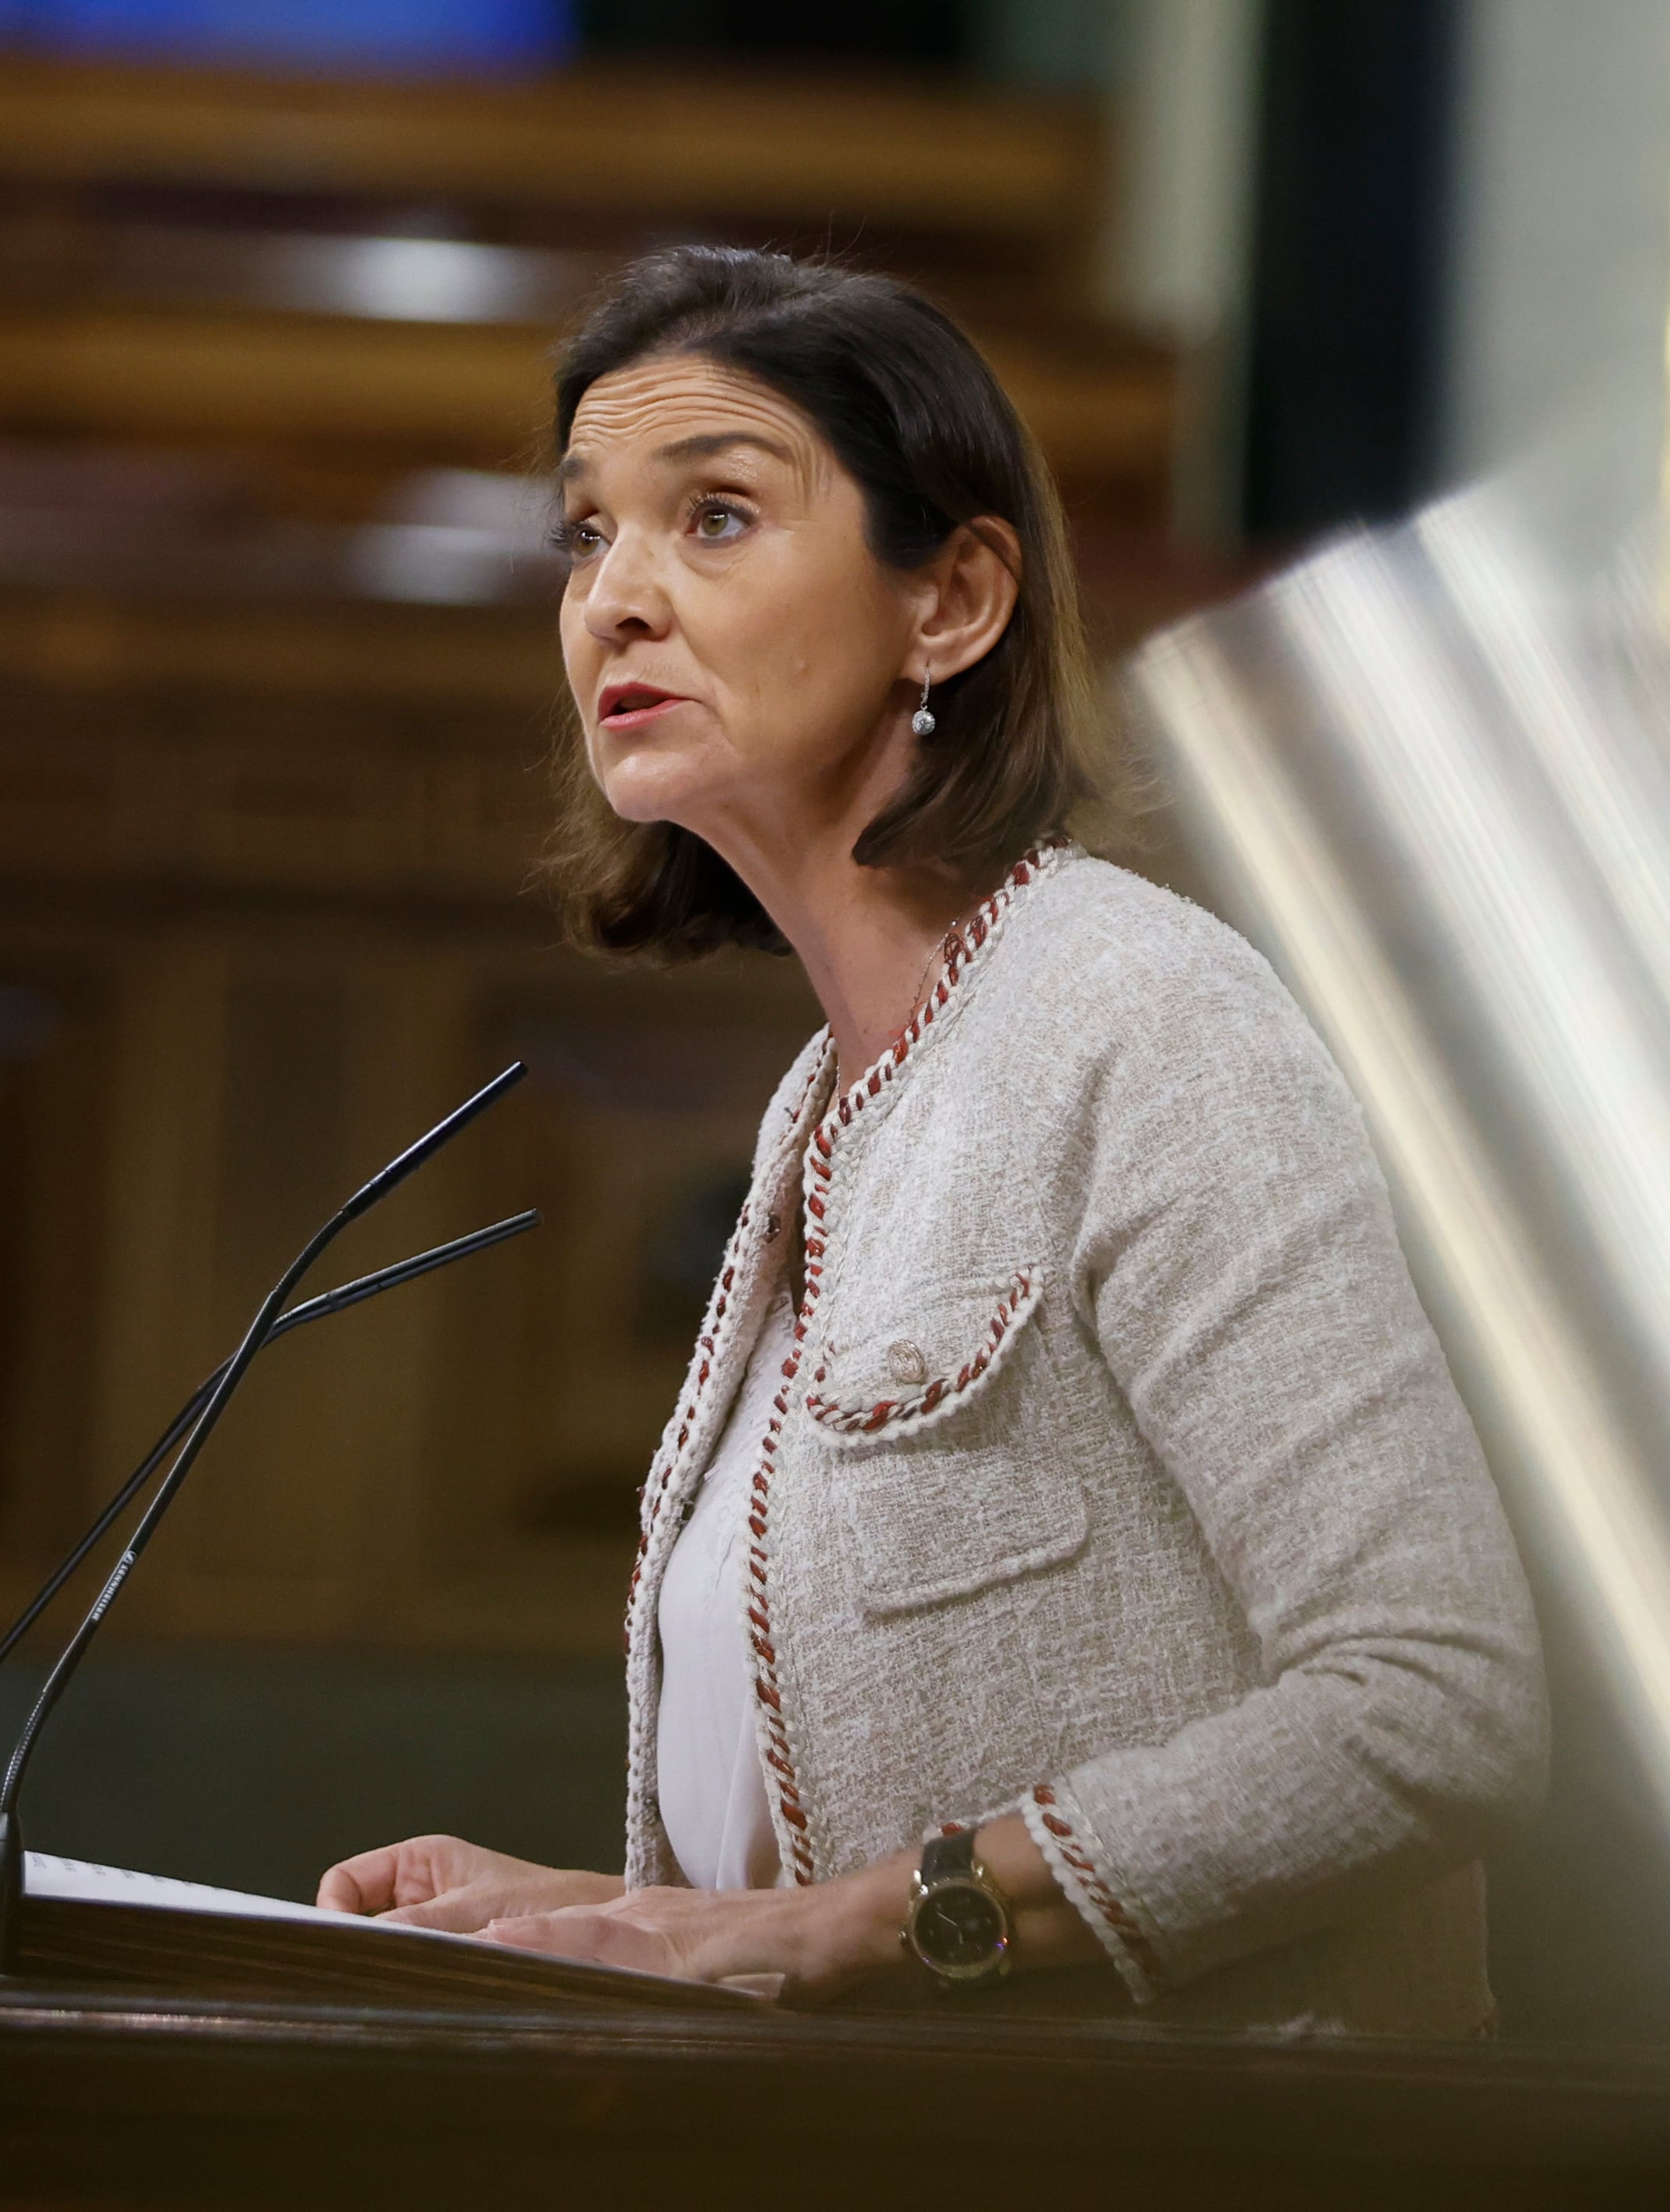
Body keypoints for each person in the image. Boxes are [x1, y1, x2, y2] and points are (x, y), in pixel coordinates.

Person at [318, 245, 1545, 2033]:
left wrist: (851, 1933)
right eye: (588, 534)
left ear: (954, 600)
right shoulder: (828, 1098)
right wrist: (606, 1915)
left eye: (716, 516)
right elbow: (838, 1869)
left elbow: (1442, 1699)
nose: (617, 600)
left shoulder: (1139, 1017)